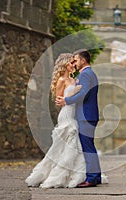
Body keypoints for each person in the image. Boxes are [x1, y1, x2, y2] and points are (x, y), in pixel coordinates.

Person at [25, 53, 86, 188]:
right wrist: (72, 95)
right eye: (71, 63)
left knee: (74, 144)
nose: (73, 65)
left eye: (73, 63)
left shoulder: (73, 78)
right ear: (64, 64)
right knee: (65, 143)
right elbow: (59, 101)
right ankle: (56, 176)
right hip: (66, 114)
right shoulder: (61, 80)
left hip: (74, 113)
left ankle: (75, 174)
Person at [56, 49, 103, 187]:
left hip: (86, 116)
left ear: (83, 60)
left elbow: (83, 94)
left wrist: (66, 101)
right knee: (89, 146)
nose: (74, 63)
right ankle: (96, 175)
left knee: (87, 147)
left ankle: (92, 178)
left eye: (76, 60)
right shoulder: (86, 74)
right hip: (87, 115)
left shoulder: (86, 74)